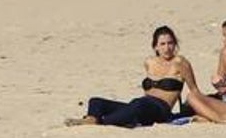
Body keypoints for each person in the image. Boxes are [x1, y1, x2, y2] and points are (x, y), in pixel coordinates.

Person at [65, 25, 204, 128]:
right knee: (96, 101)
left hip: (161, 110)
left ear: (175, 45)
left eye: (170, 43)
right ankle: (91, 118)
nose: (167, 48)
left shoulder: (180, 62)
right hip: (142, 105)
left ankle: (100, 122)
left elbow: (194, 90)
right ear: (155, 47)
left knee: (138, 104)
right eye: (162, 44)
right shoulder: (149, 62)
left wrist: (202, 110)